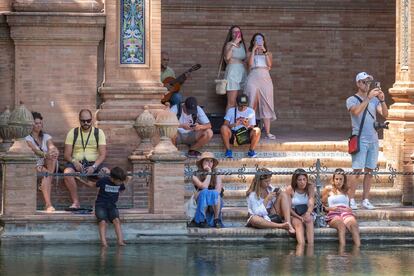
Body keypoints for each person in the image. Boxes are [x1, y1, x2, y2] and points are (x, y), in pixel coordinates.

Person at [346, 72, 389, 210]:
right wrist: (368, 98)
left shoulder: (374, 100)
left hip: (373, 139)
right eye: (364, 82)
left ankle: (365, 199)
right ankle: (351, 199)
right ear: (358, 83)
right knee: (357, 170)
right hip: (359, 139)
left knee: (369, 171)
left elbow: (385, 114)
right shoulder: (351, 99)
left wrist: (382, 100)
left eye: (369, 82)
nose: (367, 85)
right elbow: (356, 112)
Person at [63, 109, 109, 209]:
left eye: (88, 120)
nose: (86, 123)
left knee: (106, 173)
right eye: (83, 121)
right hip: (76, 162)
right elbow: (66, 155)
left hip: (94, 163)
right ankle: (76, 203)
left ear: (91, 119)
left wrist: (93, 166)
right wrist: (74, 162)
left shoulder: (99, 132)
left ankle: (99, 203)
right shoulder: (73, 132)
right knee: (67, 173)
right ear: (79, 120)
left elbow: (103, 154)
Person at [85, 166, 128, 247]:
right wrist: (83, 180)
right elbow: (94, 185)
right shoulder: (104, 181)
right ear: (112, 178)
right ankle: (104, 243)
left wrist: (128, 180)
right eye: (119, 181)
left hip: (112, 206)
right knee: (103, 222)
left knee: (117, 220)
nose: (120, 183)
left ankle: (120, 241)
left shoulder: (120, 183)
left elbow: (122, 189)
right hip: (100, 205)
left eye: (121, 181)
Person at [244, 33, 276, 140]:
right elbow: (249, 64)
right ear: (253, 42)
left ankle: (267, 132)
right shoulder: (249, 53)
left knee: (266, 103)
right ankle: (249, 130)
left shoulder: (268, 53)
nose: (259, 41)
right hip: (253, 78)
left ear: (263, 41)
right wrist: (254, 50)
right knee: (251, 103)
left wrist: (264, 51)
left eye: (261, 39)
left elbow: (270, 65)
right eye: (256, 40)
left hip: (265, 79)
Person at [25, 112, 59, 213]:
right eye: (36, 123)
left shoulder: (46, 136)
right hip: (34, 164)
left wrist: (54, 151)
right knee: (47, 173)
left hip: (47, 165)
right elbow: (35, 151)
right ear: (31, 124)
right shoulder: (27, 138)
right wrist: (46, 155)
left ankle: (48, 204)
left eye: (40, 123)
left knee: (51, 160)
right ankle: (48, 204)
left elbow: (51, 145)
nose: (39, 125)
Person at [245, 168, 295, 234]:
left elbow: (279, 201)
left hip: (271, 214)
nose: (268, 183)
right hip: (260, 218)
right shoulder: (252, 195)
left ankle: (288, 224)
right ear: (259, 182)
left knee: (283, 194)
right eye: (266, 181)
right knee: (253, 219)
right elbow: (256, 213)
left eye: (269, 181)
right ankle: (281, 226)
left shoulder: (269, 188)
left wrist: (278, 193)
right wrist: (267, 199)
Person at [322, 168, 360, 247]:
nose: (338, 181)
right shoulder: (328, 190)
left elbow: (349, 204)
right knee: (341, 225)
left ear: (344, 180)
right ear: (333, 179)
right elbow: (321, 206)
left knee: (354, 225)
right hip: (333, 213)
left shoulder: (347, 190)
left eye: (340, 179)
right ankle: (342, 253)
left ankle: (357, 251)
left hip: (346, 213)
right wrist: (330, 209)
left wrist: (350, 209)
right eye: (336, 179)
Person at [220, 94, 261, 158]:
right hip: (233, 135)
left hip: (245, 134)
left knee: (257, 130)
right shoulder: (231, 111)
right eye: (241, 106)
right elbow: (225, 124)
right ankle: (228, 151)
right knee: (223, 128)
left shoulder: (251, 111)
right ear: (237, 104)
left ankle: (251, 151)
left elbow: (252, 127)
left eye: (245, 105)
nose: (243, 107)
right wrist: (235, 124)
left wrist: (246, 125)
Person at [191, 152, 223, 228]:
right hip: (200, 198)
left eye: (211, 161)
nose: (209, 163)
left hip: (215, 200)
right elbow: (204, 186)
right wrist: (209, 173)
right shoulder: (194, 174)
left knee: (215, 194)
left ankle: (216, 219)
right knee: (205, 192)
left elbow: (218, 190)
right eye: (206, 160)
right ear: (202, 162)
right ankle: (202, 219)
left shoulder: (217, 173)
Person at [219, 25, 247, 111]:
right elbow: (227, 57)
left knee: (241, 101)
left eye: (238, 31)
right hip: (232, 73)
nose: (236, 33)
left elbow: (245, 59)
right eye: (234, 32)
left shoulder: (243, 45)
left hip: (242, 73)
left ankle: (238, 121)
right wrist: (234, 43)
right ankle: (228, 123)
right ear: (231, 34)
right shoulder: (229, 44)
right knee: (231, 102)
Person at [285, 169, 315, 246]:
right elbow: (288, 208)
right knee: (298, 223)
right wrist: (298, 217)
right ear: (295, 181)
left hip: (306, 211)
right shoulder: (290, 189)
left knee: (309, 219)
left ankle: (310, 248)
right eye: (299, 180)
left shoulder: (310, 187)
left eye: (304, 179)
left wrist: (308, 213)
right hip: (294, 214)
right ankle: (301, 248)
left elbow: (311, 202)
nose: (302, 182)